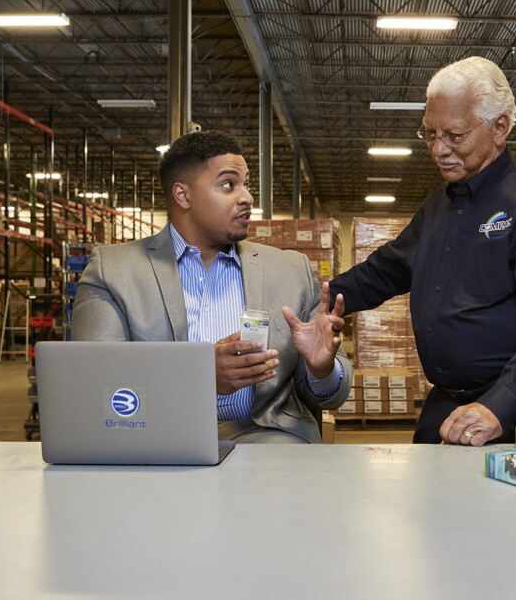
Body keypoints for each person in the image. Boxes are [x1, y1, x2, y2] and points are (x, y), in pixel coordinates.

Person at [328, 56, 516, 447]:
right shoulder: (439, 206)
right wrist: (320, 301)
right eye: (429, 134)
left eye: (454, 135)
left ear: (499, 127)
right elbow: (385, 270)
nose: (438, 149)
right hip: (449, 405)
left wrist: (500, 407)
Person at [69, 130, 352, 443]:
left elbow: (330, 395)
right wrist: (198, 376)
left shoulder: (290, 271)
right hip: (156, 441)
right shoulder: (113, 270)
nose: (247, 197)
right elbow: (93, 381)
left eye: (246, 184)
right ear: (183, 196)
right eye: (229, 185)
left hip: (269, 442)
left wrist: (321, 369)